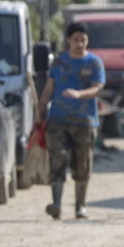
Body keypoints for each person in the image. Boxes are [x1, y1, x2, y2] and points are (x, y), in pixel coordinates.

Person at [36, 21, 105, 219]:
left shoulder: (94, 63)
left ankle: (80, 206)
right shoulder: (59, 63)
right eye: (76, 40)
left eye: (83, 40)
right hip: (58, 120)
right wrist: (41, 107)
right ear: (68, 40)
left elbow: (98, 88)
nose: (79, 44)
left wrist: (79, 94)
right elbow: (50, 87)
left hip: (85, 122)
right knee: (57, 160)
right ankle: (56, 204)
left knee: (82, 164)